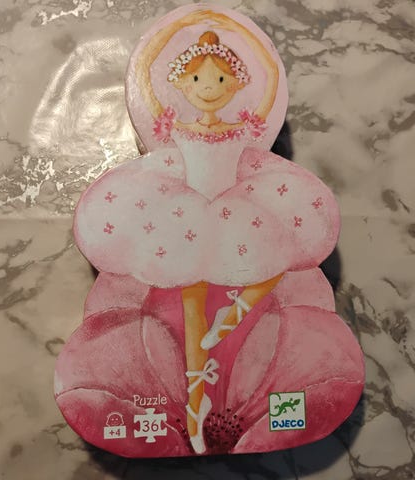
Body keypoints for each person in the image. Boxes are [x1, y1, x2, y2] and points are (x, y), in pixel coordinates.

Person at [74, 9, 339, 454]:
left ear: (234, 84)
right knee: (192, 312)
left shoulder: (243, 125)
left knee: (278, 261)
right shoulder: (173, 125)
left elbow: (270, 80)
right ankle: (196, 411)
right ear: (183, 85)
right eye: (198, 80)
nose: (209, 88)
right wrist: (177, 31)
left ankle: (232, 317)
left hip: (237, 209)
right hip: (184, 218)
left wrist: (254, 50)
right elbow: (145, 76)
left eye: (220, 79)